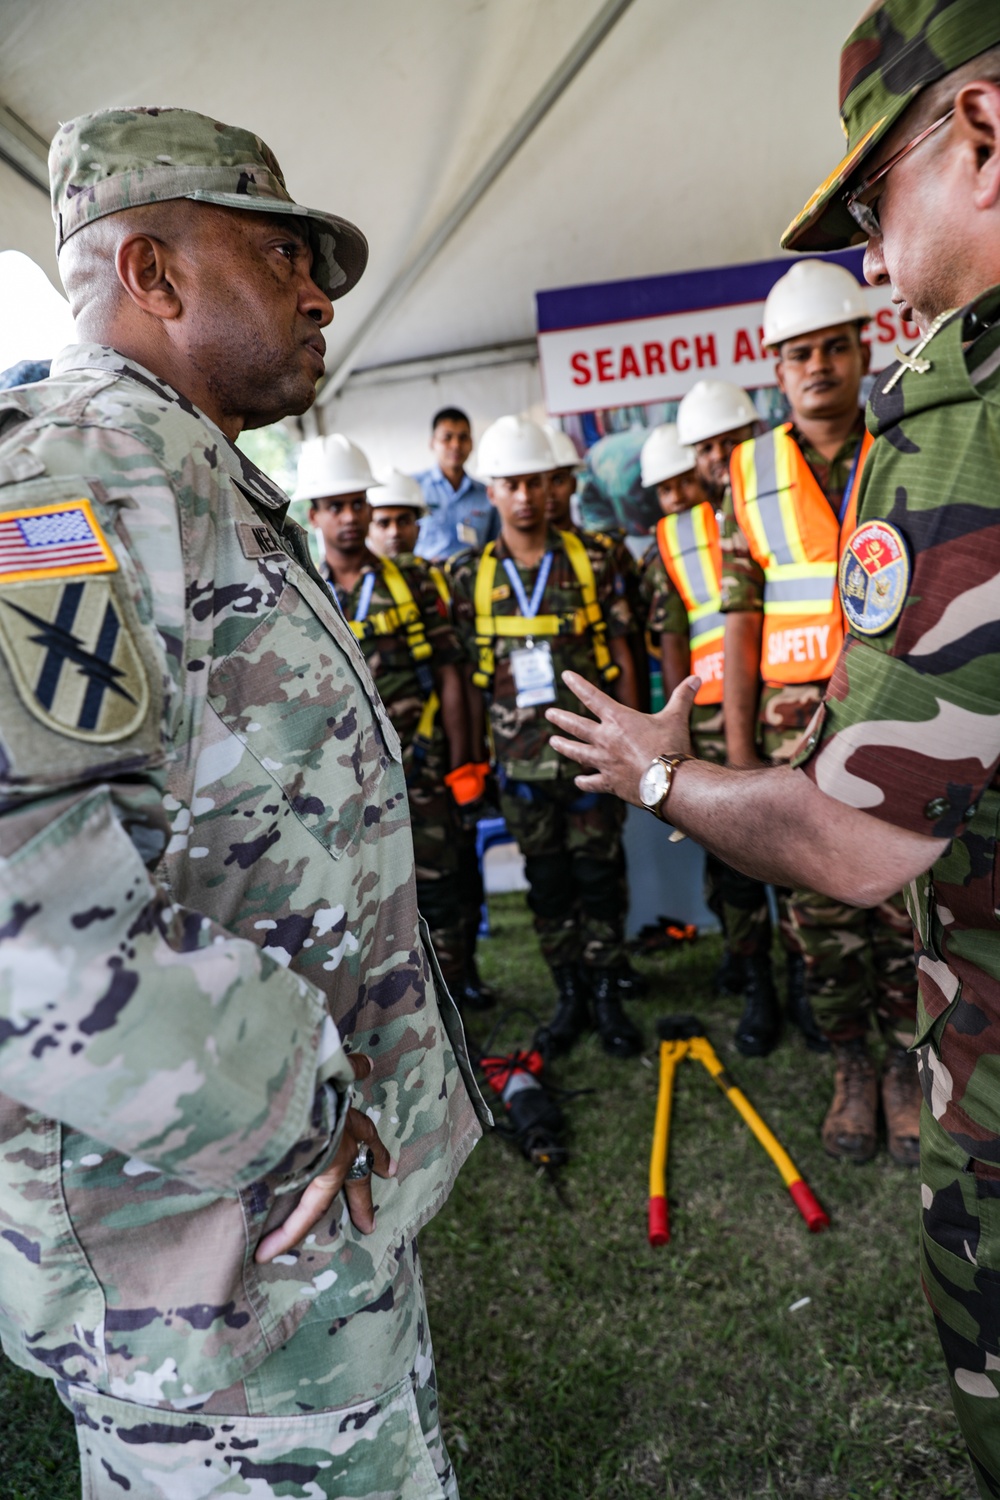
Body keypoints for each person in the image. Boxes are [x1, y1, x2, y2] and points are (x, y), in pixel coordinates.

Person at [0, 106, 486, 1499]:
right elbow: (25, 916)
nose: (320, 293)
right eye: (281, 258)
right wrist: (291, 1102)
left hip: (284, 1255)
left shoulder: (189, 472)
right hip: (205, 1283)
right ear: (152, 274)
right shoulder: (72, 474)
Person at [545, 2, 1000, 1488]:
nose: (874, 256)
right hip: (830, 746)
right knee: (833, 954)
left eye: (878, 196)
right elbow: (741, 635)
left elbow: (857, 839)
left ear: (980, 137)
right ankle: (856, 1063)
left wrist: (665, 780)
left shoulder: (952, 412)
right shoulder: (766, 481)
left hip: (881, 808)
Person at [722, 258, 919, 1162]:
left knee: (908, 913)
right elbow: (739, 620)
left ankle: (906, 1070)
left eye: (834, 346)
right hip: (792, 742)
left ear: (863, 347)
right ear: (777, 367)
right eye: (799, 352)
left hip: (905, 730)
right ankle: (851, 1066)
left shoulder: (911, 438)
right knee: (824, 923)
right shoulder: (749, 471)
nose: (818, 367)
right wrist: (734, 767)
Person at [450, 415, 642, 1060]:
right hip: (520, 768)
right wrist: (473, 762)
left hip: (593, 760)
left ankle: (608, 989)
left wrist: (638, 747)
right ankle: (570, 994)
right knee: (549, 883)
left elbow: (623, 647)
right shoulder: (467, 576)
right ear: (492, 492)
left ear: (553, 483)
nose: (527, 496)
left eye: (537, 481)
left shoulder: (596, 557)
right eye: (512, 484)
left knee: (600, 877)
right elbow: (469, 679)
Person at [301, 434, 486, 1009]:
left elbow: (452, 674)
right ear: (314, 515)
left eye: (358, 503)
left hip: (422, 764)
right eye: (336, 507)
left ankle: (457, 990)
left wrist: (463, 762)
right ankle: (398, 1003)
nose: (351, 517)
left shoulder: (415, 581)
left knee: (443, 882)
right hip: (343, 780)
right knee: (363, 896)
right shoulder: (301, 587)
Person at [674, 379, 789, 1052]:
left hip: (795, 709)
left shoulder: (784, 507)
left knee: (805, 855)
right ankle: (758, 986)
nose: (720, 457)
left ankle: (807, 979)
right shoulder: (681, 534)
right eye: (707, 447)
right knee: (737, 865)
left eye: (731, 441)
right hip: (718, 725)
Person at [414, 405, 498, 560]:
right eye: (447, 437)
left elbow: (494, 545)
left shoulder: (487, 494)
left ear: (472, 443)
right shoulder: (413, 488)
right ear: (432, 443)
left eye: (463, 437)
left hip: (475, 579)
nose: (456, 445)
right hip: (427, 580)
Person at [366, 466, 427, 560]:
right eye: (383, 524)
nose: (394, 532)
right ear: (368, 532)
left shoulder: (433, 573)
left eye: (403, 522)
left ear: (418, 529)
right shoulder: (356, 574)